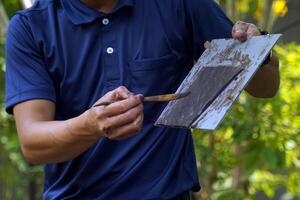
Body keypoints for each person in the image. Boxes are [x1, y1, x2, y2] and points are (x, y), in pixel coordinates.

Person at [5, 0, 280, 199]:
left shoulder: (179, 4)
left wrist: (261, 52)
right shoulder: (31, 26)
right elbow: (33, 143)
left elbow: (264, 88)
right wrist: (90, 126)